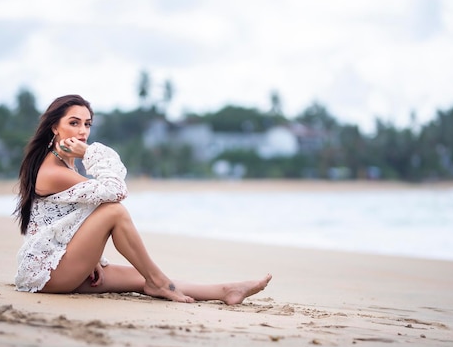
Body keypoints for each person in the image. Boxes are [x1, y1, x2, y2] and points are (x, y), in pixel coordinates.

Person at [14, 94, 272, 304]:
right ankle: (159, 283)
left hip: (64, 263)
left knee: (142, 277)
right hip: (48, 274)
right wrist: (91, 153)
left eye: (87, 124)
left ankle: (226, 290)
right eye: (74, 123)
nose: (82, 131)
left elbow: (74, 218)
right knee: (115, 211)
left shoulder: (66, 166)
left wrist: (91, 258)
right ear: (54, 127)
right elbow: (115, 190)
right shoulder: (52, 171)